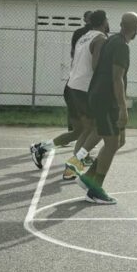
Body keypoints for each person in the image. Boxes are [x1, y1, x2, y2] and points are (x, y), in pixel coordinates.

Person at [30, 10, 109, 177]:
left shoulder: (84, 37)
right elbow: (96, 66)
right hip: (83, 89)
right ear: (104, 22)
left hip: (71, 86)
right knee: (94, 128)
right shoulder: (101, 39)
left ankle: (41, 148)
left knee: (79, 131)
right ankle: (73, 167)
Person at [72, 12, 137, 205]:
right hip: (105, 100)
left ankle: (88, 177)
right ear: (136, 28)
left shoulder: (113, 40)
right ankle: (95, 190)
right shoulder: (121, 47)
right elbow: (117, 78)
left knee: (119, 141)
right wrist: (123, 108)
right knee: (111, 144)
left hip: (99, 96)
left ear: (121, 24)